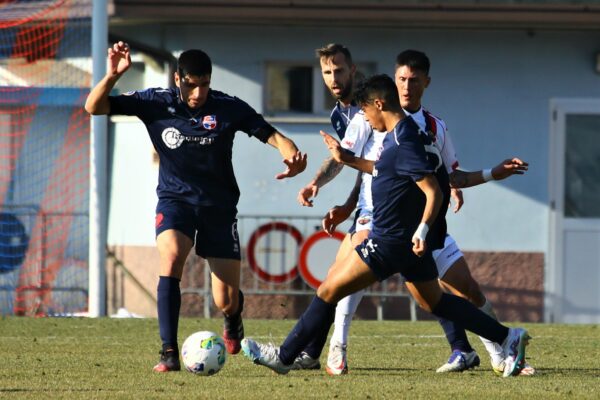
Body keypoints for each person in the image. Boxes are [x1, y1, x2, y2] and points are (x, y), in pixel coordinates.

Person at [241, 74, 530, 378]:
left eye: (366, 111)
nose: (365, 118)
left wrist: (421, 229)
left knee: (329, 289)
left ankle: (285, 357)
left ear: (379, 104)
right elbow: (383, 169)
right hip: (404, 242)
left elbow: (434, 189)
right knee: (435, 301)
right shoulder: (405, 135)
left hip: (391, 239)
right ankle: (507, 337)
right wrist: (346, 158)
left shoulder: (405, 141)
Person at [85, 41, 307, 372]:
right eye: (191, 84)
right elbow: (94, 107)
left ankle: (233, 319)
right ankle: (168, 352)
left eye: (204, 84)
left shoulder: (226, 107)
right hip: (176, 200)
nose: (198, 92)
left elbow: (268, 133)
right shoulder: (155, 103)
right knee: (172, 256)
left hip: (218, 207)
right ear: (178, 79)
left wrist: (288, 148)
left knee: (225, 300)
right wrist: (113, 76)